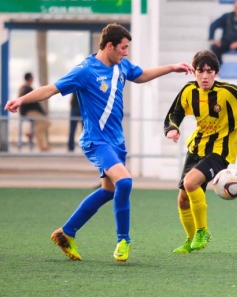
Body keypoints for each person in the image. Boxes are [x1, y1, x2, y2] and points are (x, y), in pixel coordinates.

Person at [4, 23, 194, 262]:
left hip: (116, 141)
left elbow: (141, 75)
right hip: (96, 140)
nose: (126, 52)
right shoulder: (85, 71)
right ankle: (123, 240)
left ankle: (66, 232)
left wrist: (172, 68)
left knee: (108, 191)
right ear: (110, 46)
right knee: (124, 182)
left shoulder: (121, 64)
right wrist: (21, 100)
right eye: (123, 48)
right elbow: (51, 89)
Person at [164, 50, 237, 254]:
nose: (205, 76)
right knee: (182, 199)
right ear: (194, 72)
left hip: (220, 152)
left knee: (190, 183)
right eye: (200, 71)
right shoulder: (189, 91)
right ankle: (190, 240)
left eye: (209, 71)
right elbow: (175, 113)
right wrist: (172, 128)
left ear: (216, 73)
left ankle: (203, 231)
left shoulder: (227, 92)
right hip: (196, 148)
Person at [208, 0, 237, 76]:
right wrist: (212, 39)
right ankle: (219, 66)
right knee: (214, 47)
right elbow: (213, 25)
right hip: (226, 42)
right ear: (234, 8)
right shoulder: (226, 17)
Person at [18, 72, 51, 151]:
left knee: (40, 126)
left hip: (25, 112)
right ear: (30, 78)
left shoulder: (22, 88)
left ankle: (42, 144)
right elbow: (36, 103)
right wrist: (43, 112)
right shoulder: (28, 89)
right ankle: (31, 133)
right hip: (29, 112)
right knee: (45, 123)